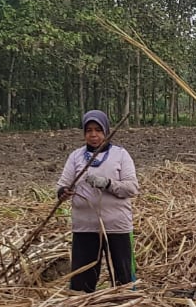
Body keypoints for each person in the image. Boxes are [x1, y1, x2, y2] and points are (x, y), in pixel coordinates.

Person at [57, 110, 138, 292]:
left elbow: (132, 188)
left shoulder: (121, 155)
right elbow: (62, 185)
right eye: (89, 130)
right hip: (85, 227)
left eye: (98, 130)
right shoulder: (76, 157)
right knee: (82, 281)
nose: (93, 135)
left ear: (107, 131)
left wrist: (108, 183)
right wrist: (63, 192)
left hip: (116, 226)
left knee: (123, 278)